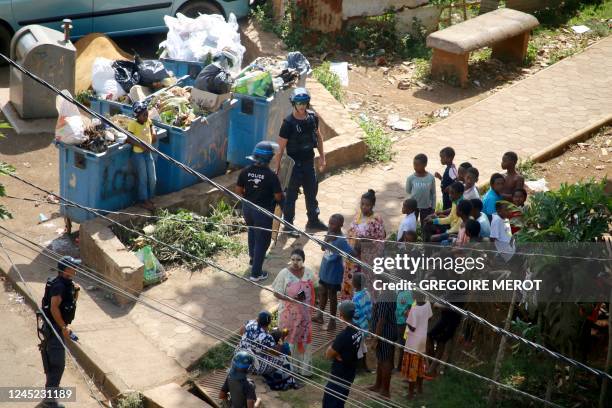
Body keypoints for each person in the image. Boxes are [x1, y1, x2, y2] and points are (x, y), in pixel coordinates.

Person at [276, 88, 327, 235]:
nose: (302, 106)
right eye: (299, 103)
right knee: (291, 195)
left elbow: (318, 137)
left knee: (312, 191)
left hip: (308, 162)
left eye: (304, 103)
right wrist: (278, 168)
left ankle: (313, 220)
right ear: (293, 103)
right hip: (293, 165)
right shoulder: (288, 123)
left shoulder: (312, 118)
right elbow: (280, 148)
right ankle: (288, 225)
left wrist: (322, 157)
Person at [236, 141, 283, 282]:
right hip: (263, 213)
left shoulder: (245, 171)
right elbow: (278, 196)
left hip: (248, 209)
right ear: (269, 159)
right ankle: (256, 274)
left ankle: (252, 259)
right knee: (262, 241)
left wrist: (251, 195)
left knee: (252, 231)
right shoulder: (271, 175)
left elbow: (238, 191)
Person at [40, 256, 81, 408]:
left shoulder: (67, 283)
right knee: (57, 364)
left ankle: (53, 389)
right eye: (73, 267)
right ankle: (49, 401)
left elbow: (71, 304)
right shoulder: (59, 286)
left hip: (56, 327)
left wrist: (76, 291)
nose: (76, 269)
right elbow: (54, 308)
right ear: (66, 270)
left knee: (56, 362)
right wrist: (63, 327)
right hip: (54, 329)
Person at [272, 249, 315, 376]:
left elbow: (315, 287)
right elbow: (276, 292)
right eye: (293, 259)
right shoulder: (284, 274)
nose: (295, 262)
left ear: (303, 261)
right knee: (289, 339)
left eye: (298, 260)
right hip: (288, 315)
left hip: (304, 315)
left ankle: (303, 370)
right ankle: (287, 370)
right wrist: (291, 299)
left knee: (303, 339)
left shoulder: (308, 273)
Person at [340, 189, 386, 301]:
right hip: (353, 258)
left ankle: (366, 309)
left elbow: (380, 240)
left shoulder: (376, 221)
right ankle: (349, 307)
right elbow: (350, 232)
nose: (364, 207)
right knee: (351, 282)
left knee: (366, 284)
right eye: (362, 204)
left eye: (367, 205)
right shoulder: (358, 216)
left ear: (373, 205)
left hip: (366, 260)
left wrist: (365, 243)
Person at [236, 311, 297, 390]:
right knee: (283, 354)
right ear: (269, 323)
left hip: (239, 357)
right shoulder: (267, 337)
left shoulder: (250, 323)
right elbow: (275, 353)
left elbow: (240, 332)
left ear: (258, 319)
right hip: (252, 367)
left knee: (264, 350)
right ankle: (287, 377)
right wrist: (282, 340)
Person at [314, 214, 354, 331]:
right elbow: (323, 248)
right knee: (322, 292)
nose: (330, 226)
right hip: (325, 270)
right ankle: (320, 315)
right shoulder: (329, 233)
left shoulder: (341, 240)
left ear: (341, 225)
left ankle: (332, 321)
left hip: (334, 273)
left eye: (333, 224)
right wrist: (327, 239)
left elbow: (350, 253)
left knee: (332, 296)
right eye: (329, 223)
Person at [322, 301, 363, 408]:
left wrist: (335, 350)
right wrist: (338, 352)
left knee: (330, 401)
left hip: (340, 373)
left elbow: (328, 354)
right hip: (351, 370)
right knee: (340, 400)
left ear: (341, 315)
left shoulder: (343, 336)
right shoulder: (358, 328)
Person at [401, 293, 432, 399]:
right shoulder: (427, 304)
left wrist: (406, 316)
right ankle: (419, 389)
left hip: (413, 341)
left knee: (412, 368)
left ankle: (410, 393)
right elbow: (429, 318)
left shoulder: (414, 310)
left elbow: (412, 327)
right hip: (422, 339)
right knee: (420, 365)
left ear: (415, 297)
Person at [128, 102, 157, 210]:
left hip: (148, 152)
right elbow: (129, 139)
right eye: (143, 115)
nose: (146, 116)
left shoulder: (147, 120)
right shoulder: (133, 124)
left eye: (146, 113)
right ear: (137, 116)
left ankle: (151, 197)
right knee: (143, 177)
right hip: (139, 154)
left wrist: (153, 133)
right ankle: (143, 200)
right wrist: (141, 145)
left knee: (152, 178)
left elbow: (151, 125)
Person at [368, 287, 397, 398]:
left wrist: (376, 337)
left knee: (385, 361)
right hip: (388, 331)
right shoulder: (390, 294)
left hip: (385, 333)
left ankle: (385, 391)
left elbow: (381, 319)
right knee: (381, 359)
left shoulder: (385, 296)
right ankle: (378, 385)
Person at [426, 301, 464, 377]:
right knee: (430, 336)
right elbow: (440, 300)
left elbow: (454, 308)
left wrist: (439, 305)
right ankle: (432, 367)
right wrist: (439, 304)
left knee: (441, 341)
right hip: (443, 319)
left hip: (453, 320)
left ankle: (432, 369)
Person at [405, 153, 436, 228]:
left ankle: (424, 238)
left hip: (426, 207)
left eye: (417, 165)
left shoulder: (430, 178)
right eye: (414, 164)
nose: (415, 167)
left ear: (425, 165)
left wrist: (433, 207)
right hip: (413, 207)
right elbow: (408, 191)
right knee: (411, 224)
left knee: (425, 225)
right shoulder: (410, 178)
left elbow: (433, 193)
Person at [352, 273, 372, 373]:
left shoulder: (356, 298)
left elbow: (355, 313)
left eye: (353, 280)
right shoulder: (367, 294)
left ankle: (359, 369)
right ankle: (365, 366)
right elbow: (369, 310)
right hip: (365, 325)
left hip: (358, 325)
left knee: (358, 347)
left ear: (355, 284)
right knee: (362, 345)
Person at [395, 290, 413, 371]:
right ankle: (401, 366)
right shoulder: (398, 292)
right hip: (399, 322)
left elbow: (411, 305)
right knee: (401, 344)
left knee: (404, 344)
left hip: (404, 322)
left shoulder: (408, 293)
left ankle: (402, 366)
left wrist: (406, 313)